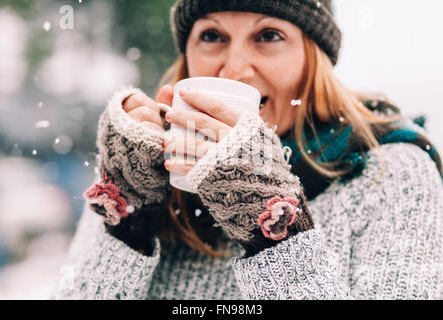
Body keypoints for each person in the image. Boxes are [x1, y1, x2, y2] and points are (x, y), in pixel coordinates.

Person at [54, 0, 443, 300]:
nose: (235, 69)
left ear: (313, 58)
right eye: (212, 36)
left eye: (268, 35)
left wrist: (274, 229)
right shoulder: (143, 163)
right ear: (187, 58)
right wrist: (128, 223)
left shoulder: (391, 172)